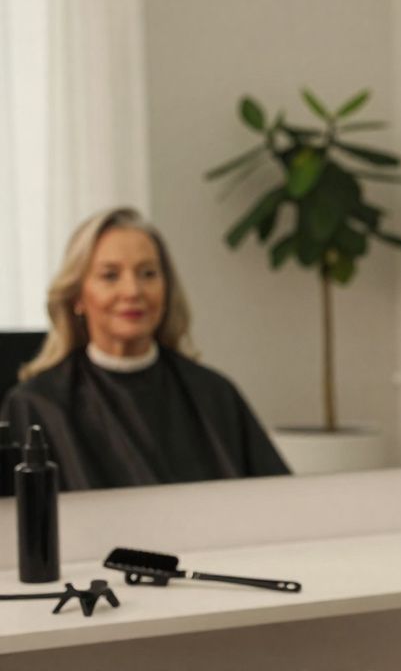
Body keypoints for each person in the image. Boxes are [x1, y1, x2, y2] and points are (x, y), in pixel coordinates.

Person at [0, 207, 289, 491]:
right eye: (110, 275)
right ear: (77, 296)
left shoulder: (214, 393)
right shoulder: (38, 406)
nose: (133, 291)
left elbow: (283, 504)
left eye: (148, 273)